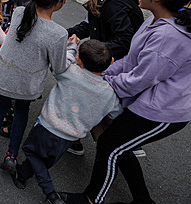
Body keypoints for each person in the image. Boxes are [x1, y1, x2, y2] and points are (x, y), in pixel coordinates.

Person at [62, 0, 191, 204]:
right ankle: (143, 200)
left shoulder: (168, 36)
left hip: (163, 111)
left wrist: (106, 81)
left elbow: (139, 79)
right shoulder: (154, 22)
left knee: (110, 144)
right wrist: (106, 72)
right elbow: (131, 60)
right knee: (118, 146)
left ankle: (91, 199)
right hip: (147, 101)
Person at [12, 39, 123, 204]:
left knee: (31, 151)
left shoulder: (70, 73)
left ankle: (50, 194)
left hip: (48, 126)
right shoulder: (109, 93)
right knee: (44, 159)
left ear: (79, 60)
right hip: (70, 136)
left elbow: (59, 63)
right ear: (111, 62)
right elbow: (116, 112)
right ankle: (21, 174)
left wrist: (71, 47)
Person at [0, 0, 71, 174]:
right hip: (27, 82)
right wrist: (71, 49)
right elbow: (58, 69)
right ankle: (12, 155)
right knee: (21, 112)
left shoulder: (20, 12)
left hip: (3, 73)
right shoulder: (58, 34)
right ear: (59, 2)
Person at [66, 0, 144, 156]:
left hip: (112, 62)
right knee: (91, 100)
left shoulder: (113, 1)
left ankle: (122, 146)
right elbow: (89, 24)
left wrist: (94, 51)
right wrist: (63, 33)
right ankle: (79, 141)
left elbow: (125, 39)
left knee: (86, 97)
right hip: (105, 59)